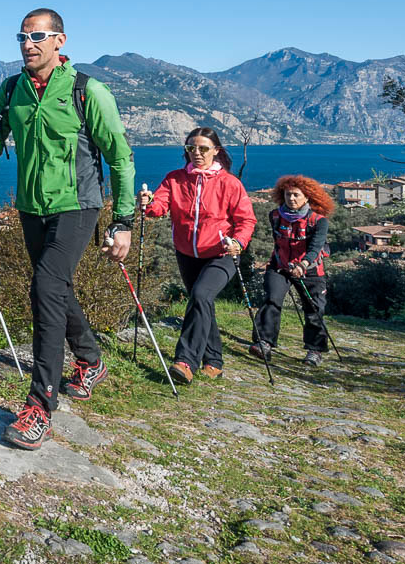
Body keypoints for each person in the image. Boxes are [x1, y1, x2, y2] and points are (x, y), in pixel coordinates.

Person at [0, 9, 135, 451]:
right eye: (22, 37)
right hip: (30, 208)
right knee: (56, 288)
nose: (28, 43)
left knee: (45, 286)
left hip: (79, 205)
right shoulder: (12, 90)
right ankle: (90, 359)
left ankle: (40, 406)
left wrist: (123, 222)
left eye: (38, 36)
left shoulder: (89, 91)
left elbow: (121, 157)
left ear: (60, 41)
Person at [138, 127, 255, 385]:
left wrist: (238, 242)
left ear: (217, 151)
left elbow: (246, 220)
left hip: (221, 254)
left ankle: (185, 361)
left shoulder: (230, 184)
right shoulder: (175, 179)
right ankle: (214, 362)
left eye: (203, 148)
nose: (197, 153)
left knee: (201, 296)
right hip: (187, 254)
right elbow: (160, 206)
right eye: (192, 148)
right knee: (203, 303)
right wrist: (148, 203)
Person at [252, 174, 333, 366]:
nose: (292, 199)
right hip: (280, 266)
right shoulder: (274, 216)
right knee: (272, 299)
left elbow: (316, 247)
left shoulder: (319, 221)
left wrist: (303, 264)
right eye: (288, 195)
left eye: (296, 195)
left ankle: (315, 350)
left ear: (307, 197)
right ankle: (264, 342)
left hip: (310, 270)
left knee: (314, 308)